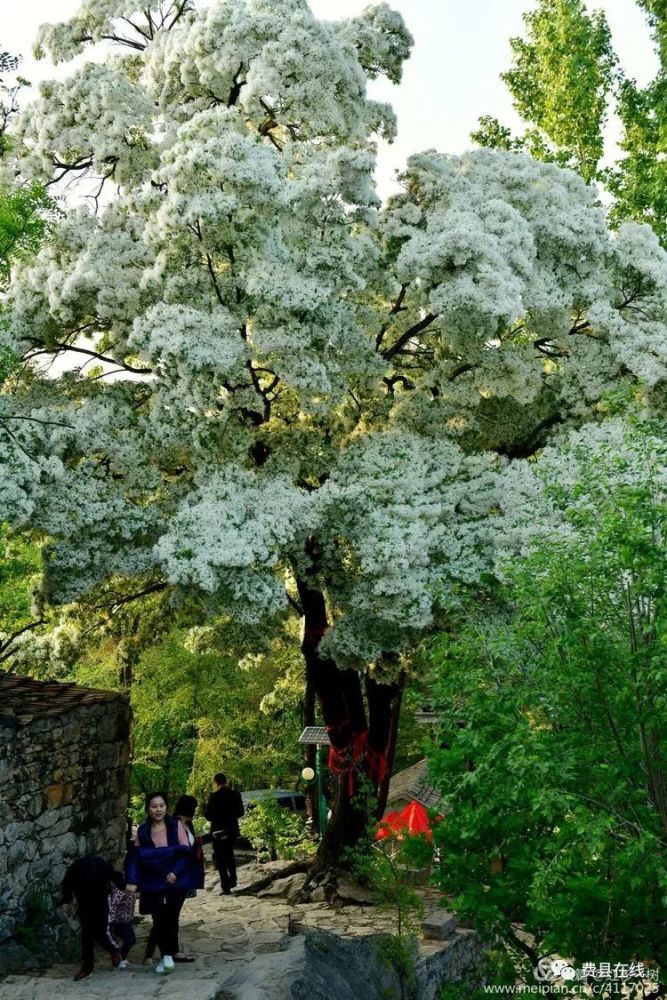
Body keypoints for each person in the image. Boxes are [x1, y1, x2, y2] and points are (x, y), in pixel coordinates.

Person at [125, 792, 198, 975]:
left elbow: (184, 853)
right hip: (154, 879)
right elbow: (135, 857)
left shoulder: (176, 826)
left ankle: (167, 954)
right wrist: (132, 881)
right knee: (159, 917)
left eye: (161, 806)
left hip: (176, 879)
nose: (158, 810)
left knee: (170, 917)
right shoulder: (143, 830)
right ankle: (165, 956)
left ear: (166, 807)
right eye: (154, 806)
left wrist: (175, 872)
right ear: (148, 809)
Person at [143, 794, 207, 965]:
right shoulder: (173, 824)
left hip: (183, 876)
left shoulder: (188, 825)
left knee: (173, 915)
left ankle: (171, 951)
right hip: (170, 876)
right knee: (166, 916)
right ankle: (158, 952)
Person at [58, 856, 124, 982]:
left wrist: (126, 886)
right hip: (85, 906)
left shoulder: (95, 865)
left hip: (101, 904)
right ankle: (87, 967)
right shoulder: (76, 869)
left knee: (100, 934)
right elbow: (67, 884)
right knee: (87, 936)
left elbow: (114, 876)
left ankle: (114, 952)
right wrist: (65, 900)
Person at [204, 773, 244, 895]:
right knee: (229, 853)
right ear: (226, 781)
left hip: (217, 831)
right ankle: (233, 878)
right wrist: (231, 818)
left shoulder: (214, 796)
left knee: (220, 858)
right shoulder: (236, 795)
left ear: (216, 783)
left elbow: (207, 814)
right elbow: (241, 812)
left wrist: (217, 818)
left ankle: (225, 887)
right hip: (231, 830)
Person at [108, 882, 136, 967]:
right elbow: (113, 906)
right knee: (130, 940)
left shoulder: (132, 888)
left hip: (127, 919)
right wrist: (111, 922)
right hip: (119, 921)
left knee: (131, 940)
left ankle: (122, 958)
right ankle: (120, 959)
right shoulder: (120, 892)